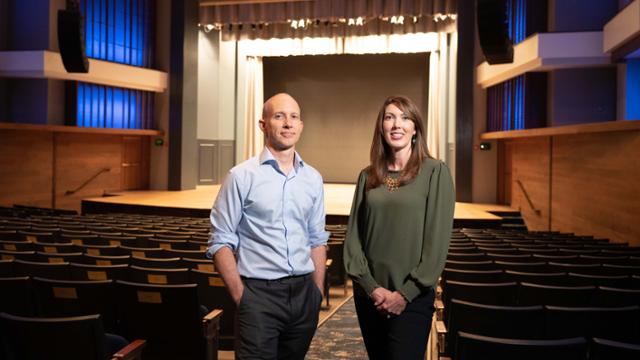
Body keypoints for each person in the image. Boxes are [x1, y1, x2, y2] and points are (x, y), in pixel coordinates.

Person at [207, 93, 329, 360]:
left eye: (294, 117)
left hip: (303, 295)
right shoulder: (241, 176)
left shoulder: (312, 178)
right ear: (263, 125)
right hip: (259, 296)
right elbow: (220, 241)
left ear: (301, 125)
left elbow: (316, 238)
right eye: (279, 116)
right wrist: (243, 298)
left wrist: (316, 293)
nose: (288, 123)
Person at [343, 95, 455, 360]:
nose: (397, 124)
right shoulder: (367, 176)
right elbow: (353, 239)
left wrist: (404, 295)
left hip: (412, 299)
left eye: (405, 118)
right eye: (389, 117)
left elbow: (436, 245)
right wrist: (372, 288)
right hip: (370, 298)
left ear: (415, 128)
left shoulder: (435, 172)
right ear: (381, 127)